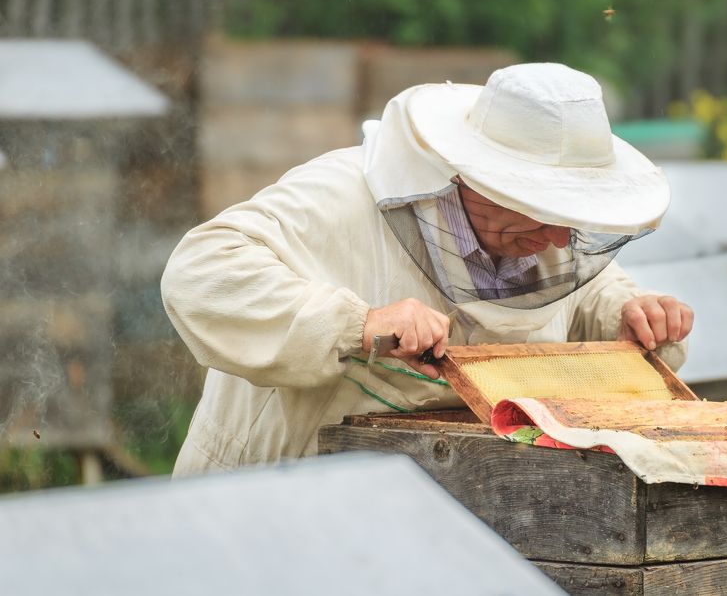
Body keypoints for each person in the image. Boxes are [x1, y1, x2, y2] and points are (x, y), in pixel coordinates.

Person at [162, 62, 693, 475]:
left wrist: (625, 312)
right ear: (475, 178)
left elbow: (585, 292)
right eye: (544, 208)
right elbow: (201, 272)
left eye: (574, 214)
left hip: (436, 521)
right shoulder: (340, 195)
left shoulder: (547, 238)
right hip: (264, 509)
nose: (559, 238)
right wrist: (358, 324)